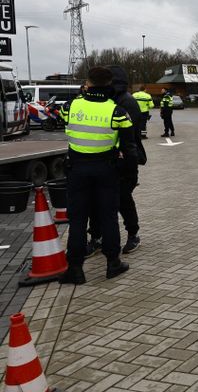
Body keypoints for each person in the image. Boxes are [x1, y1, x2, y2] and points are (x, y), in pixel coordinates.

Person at [58, 66, 137, 284]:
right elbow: (129, 146)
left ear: (88, 83)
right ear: (109, 84)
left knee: (78, 220)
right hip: (106, 170)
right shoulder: (118, 112)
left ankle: (75, 268)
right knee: (109, 216)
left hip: (76, 169)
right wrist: (129, 174)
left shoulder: (71, 106)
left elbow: (63, 119)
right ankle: (113, 263)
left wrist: (82, 94)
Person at [83, 66, 146, 258]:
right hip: (104, 160)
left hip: (122, 160)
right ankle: (97, 237)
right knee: (96, 202)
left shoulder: (127, 102)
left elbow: (129, 139)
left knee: (123, 200)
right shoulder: (105, 99)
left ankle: (133, 234)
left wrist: (131, 170)